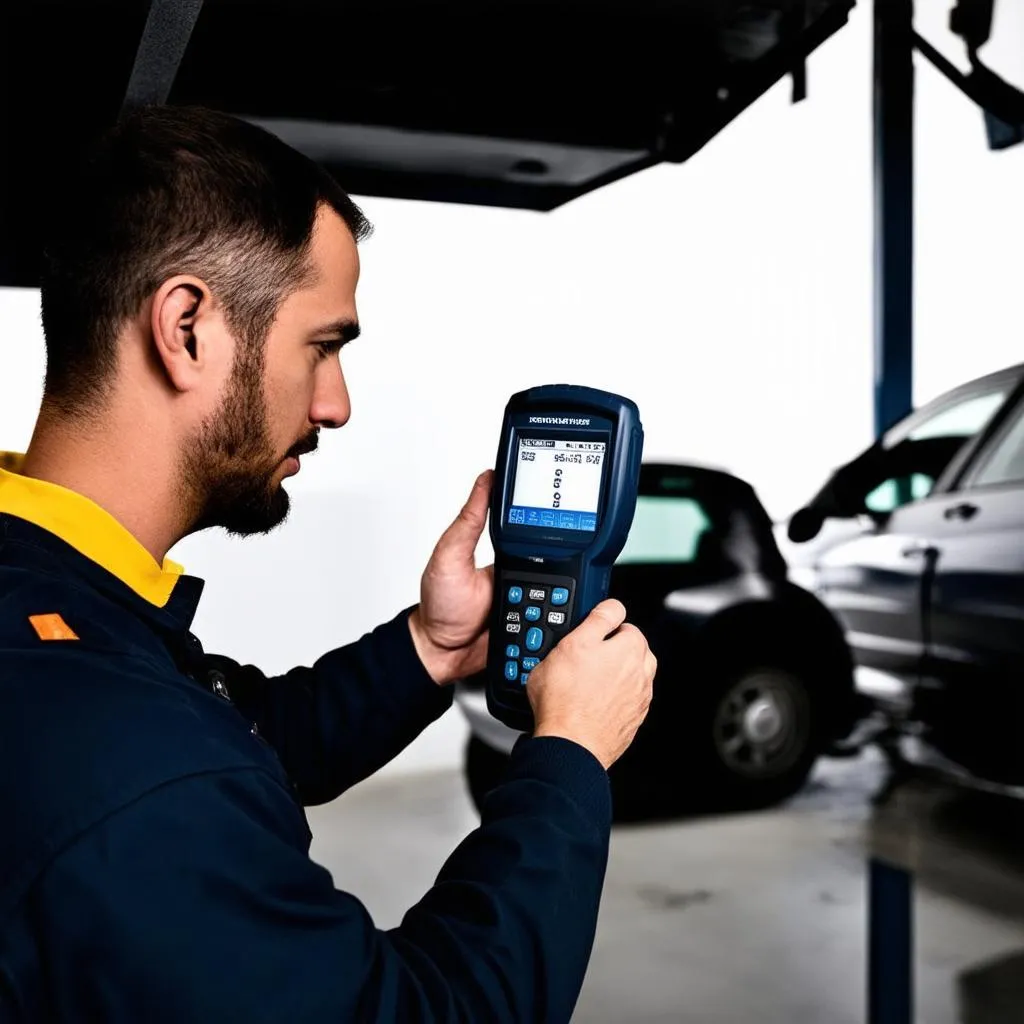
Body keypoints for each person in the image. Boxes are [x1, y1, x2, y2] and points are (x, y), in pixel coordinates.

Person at [0, 106, 656, 1023]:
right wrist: (569, 759)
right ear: (186, 328)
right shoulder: (128, 761)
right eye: (324, 345)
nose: (337, 404)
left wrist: (430, 645)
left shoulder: (56, 605)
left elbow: (239, 734)